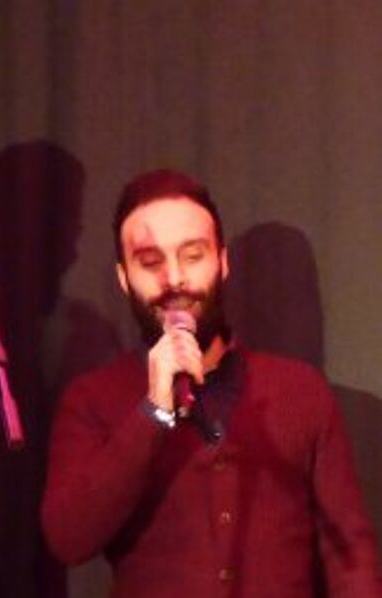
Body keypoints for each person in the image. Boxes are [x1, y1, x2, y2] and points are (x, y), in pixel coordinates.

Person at [41, 169, 382, 596]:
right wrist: (153, 413)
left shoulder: (299, 390)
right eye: (151, 262)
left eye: (192, 255)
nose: (174, 280)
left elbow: (350, 556)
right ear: (124, 278)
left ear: (222, 262)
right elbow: (68, 538)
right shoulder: (93, 400)